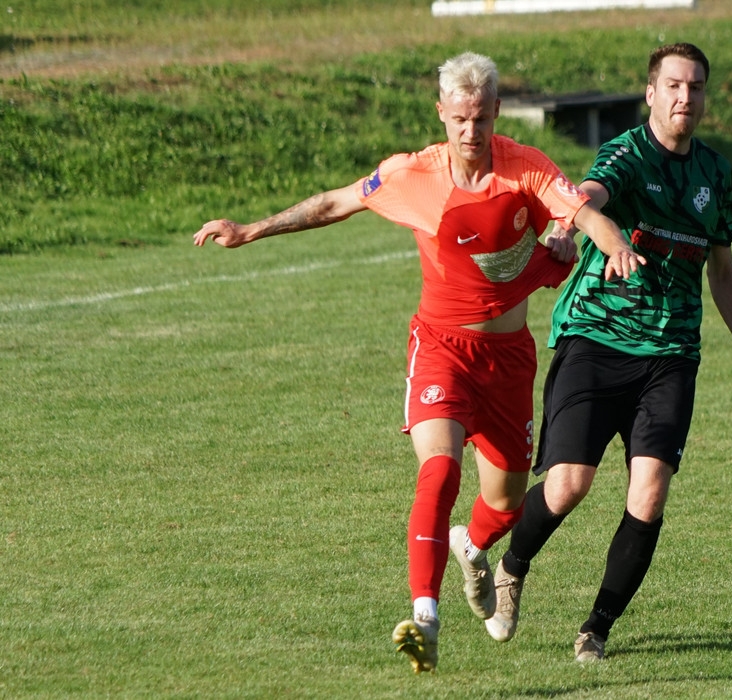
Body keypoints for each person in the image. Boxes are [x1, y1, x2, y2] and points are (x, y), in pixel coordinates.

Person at [192, 52, 642, 674]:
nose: (470, 131)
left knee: (507, 504)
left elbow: (583, 211)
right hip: (441, 349)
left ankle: (473, 547)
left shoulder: (526, 167)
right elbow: (334, 203)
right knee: (439, 468)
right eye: (459, 119)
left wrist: (611, 242)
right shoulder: (411, 175)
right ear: (441, 114)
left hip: (508, 360)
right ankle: (424, 617)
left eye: (481, 118)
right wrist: (251, 229)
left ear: (496, 112)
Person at [484, 42, 732, 662]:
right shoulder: (627, 152)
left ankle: (596, 628)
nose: (685, 97)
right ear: (650, 93)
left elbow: (722, 271)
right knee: (568, 485)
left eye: (695, 87)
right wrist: (570, 221)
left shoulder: (716, 175)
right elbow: (589, 191)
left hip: (671, 352)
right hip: (596, 337)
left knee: (650, 493)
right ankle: (511, 567)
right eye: (673, 86)